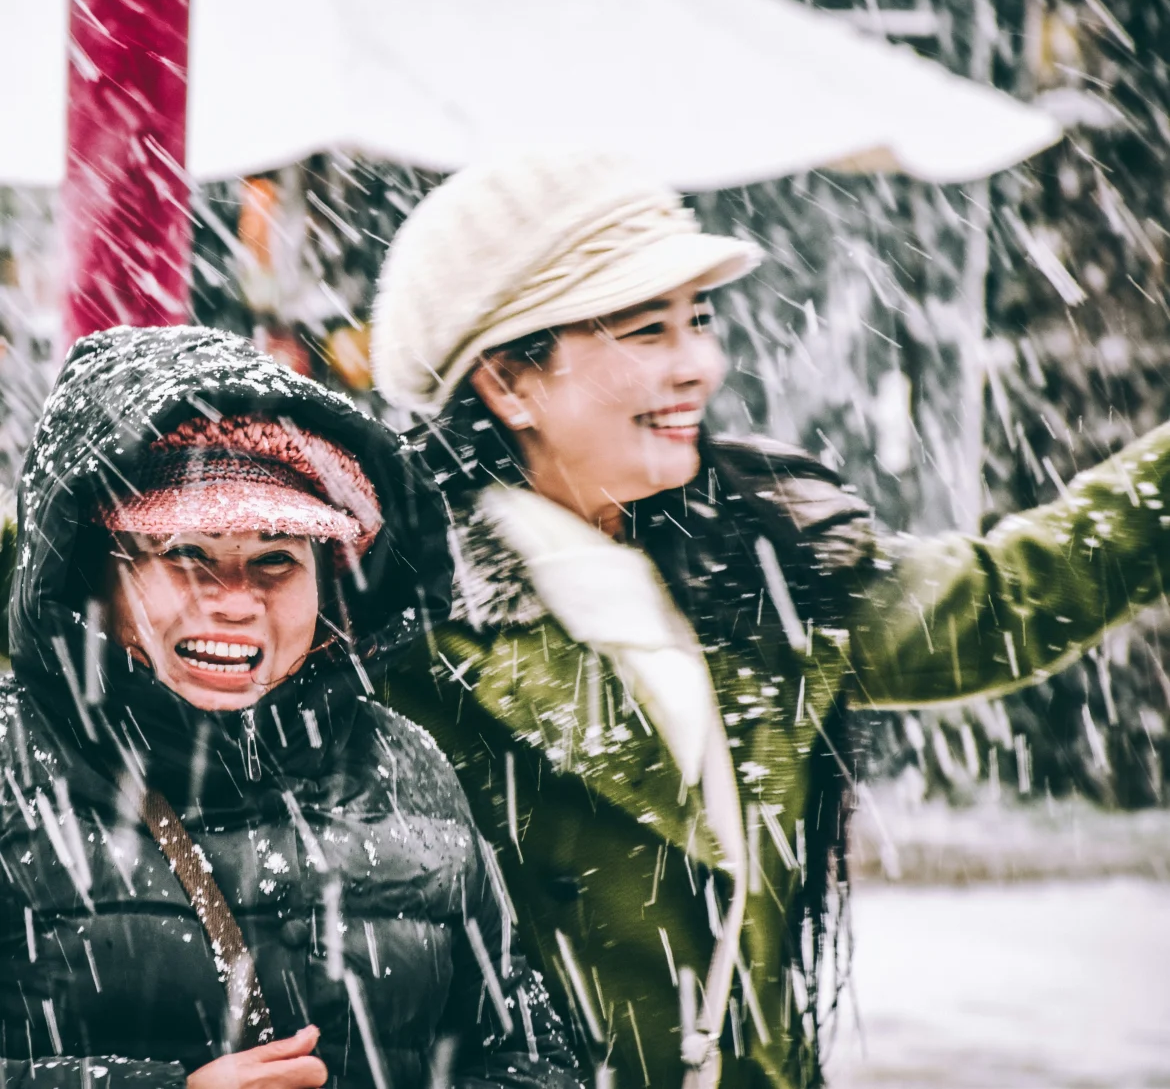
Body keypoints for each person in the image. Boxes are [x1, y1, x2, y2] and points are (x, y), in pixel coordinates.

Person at [367, 151, 1170, 1089]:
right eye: (645, 332)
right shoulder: (397, 634)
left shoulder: (756, 565)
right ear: (509, 385)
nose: (700, 365)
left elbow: (999, 605)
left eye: (699, 321)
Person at [0, 325, 581, 1089]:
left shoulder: (405, 768)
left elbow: (531, 1057)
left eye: (277, 559)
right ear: (90, 575)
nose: (236, 600)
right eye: (185, 554)